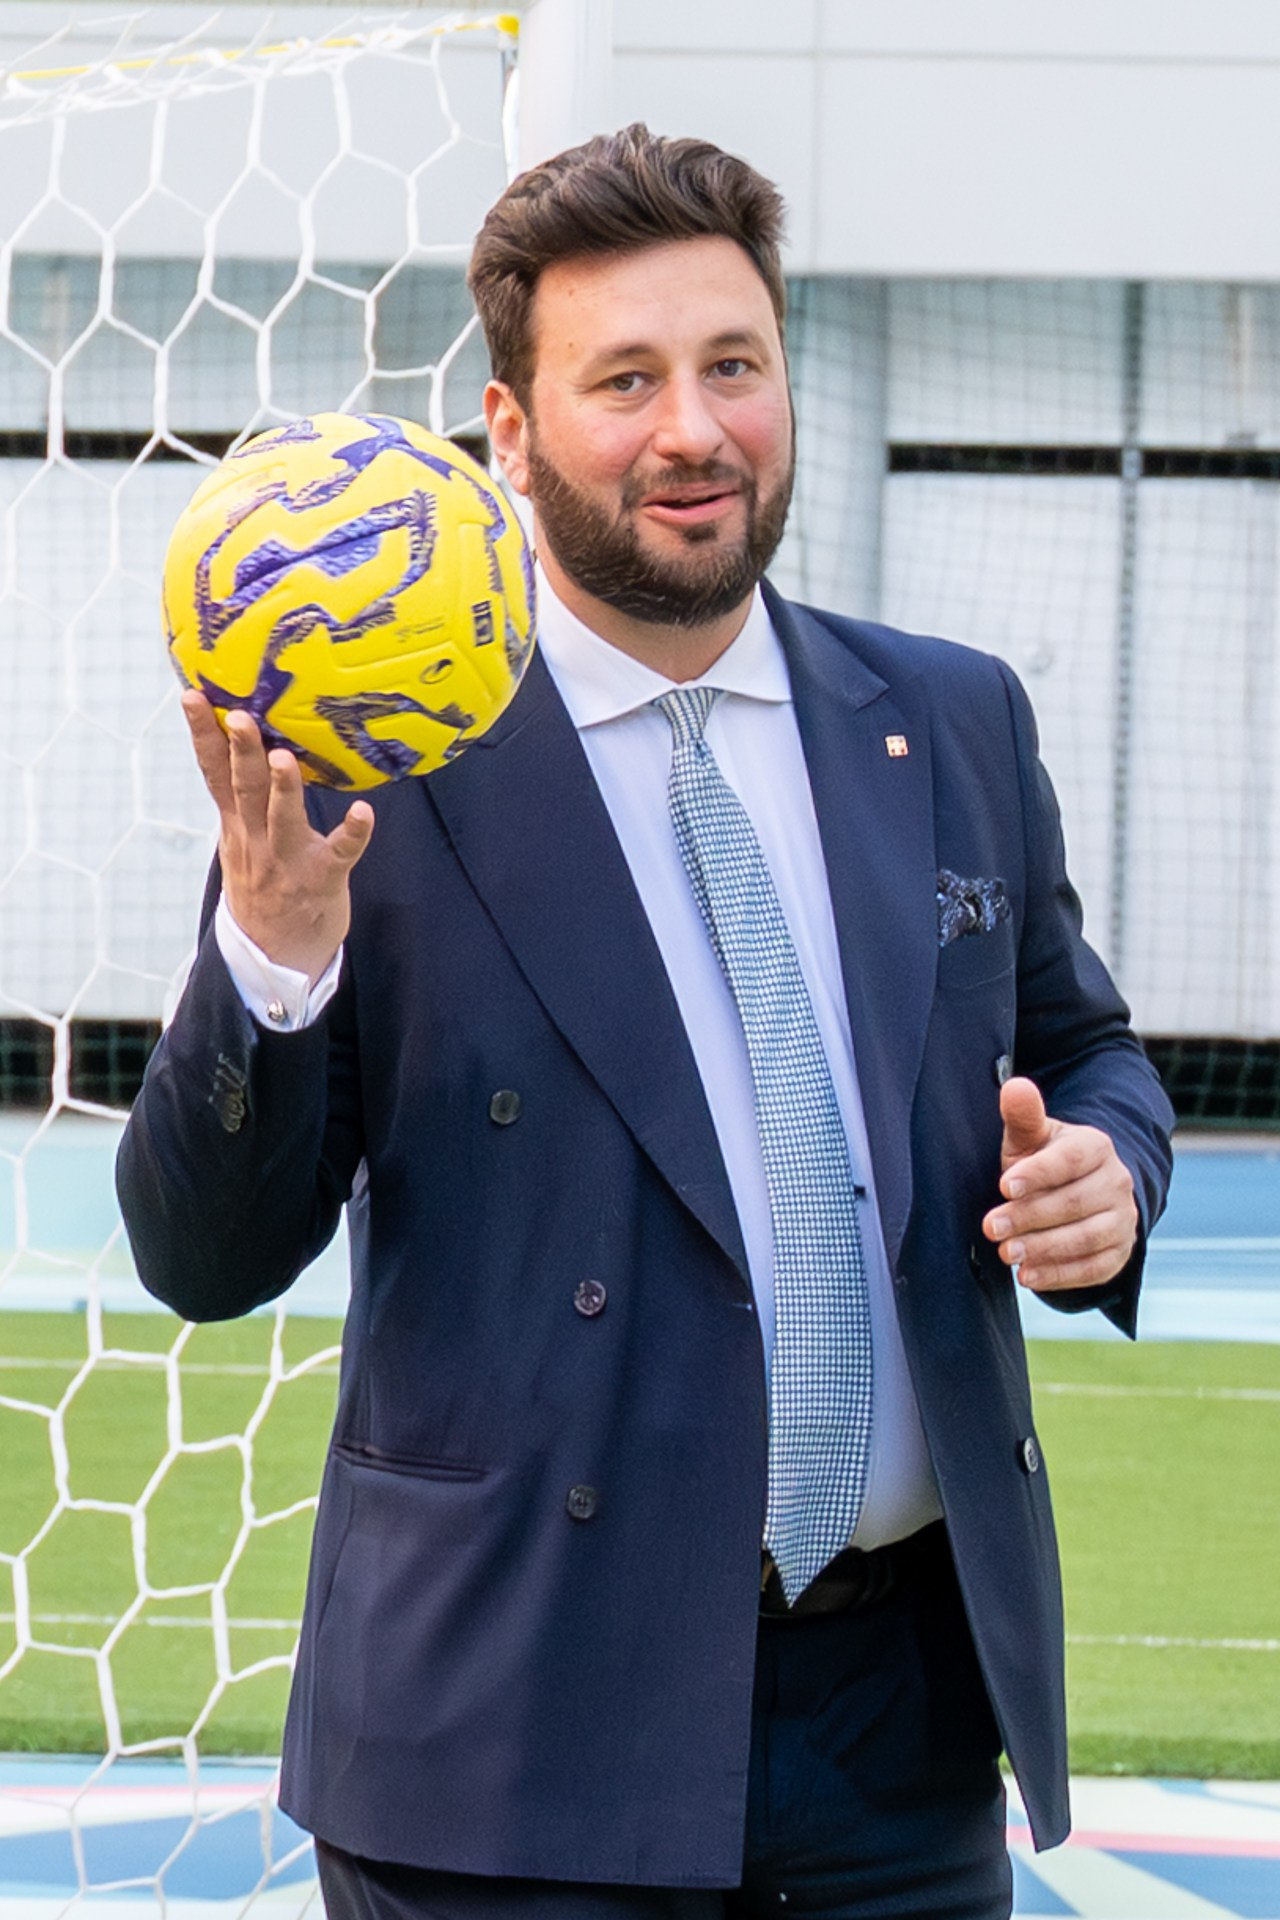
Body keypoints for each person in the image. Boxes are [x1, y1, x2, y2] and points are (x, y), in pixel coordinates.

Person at [117, 124, 1174, 1920]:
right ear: (511, 432)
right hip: (511, 1742)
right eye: (626, 379)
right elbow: (203, 1257)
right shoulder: (384, 758)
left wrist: (1109, 1173)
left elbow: (1086, 1046)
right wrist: (273, 958)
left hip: (905, 1738)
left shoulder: (951, 720)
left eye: (734, 365)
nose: (695, 429)